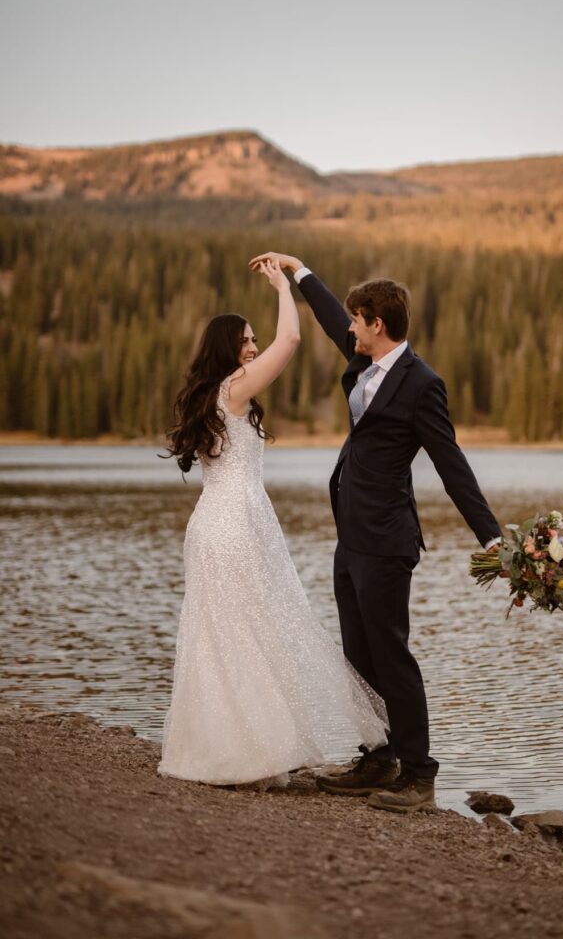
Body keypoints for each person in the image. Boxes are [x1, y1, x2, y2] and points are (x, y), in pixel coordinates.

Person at [249, 253, 502, 813]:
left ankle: (418, 774)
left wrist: (491, 537)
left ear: (377, 324)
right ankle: (377, 757)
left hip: (388, 540)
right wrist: (298, 271)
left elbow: (451, 463)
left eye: (356, 320)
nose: (349, 327)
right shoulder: (365, 364)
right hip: (352, 535)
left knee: (391, 655)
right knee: (358, 654)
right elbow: (326, 315)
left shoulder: (421, 384)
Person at [158, 255, 388, 788]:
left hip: (218, 522)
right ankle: (249, 753)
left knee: (227, 635)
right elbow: (291, 342)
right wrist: (285, 286)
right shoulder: (232, 389)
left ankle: (227, 749)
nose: (254, 348)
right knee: (244, 630)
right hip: (232, 525)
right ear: (228, 349)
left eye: (253, 341)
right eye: (245, 342)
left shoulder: (215, 395)